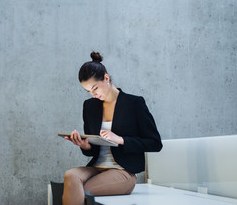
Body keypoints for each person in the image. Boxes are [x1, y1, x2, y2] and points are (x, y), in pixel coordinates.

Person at [62, 52, 163, 205]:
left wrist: (121, 140)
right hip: (97, 167)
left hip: (123, 171)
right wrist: (85, 145)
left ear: (106, 78)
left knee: (80, 189)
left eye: (95, 88)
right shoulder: (89, 106)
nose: (93, 94)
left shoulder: (134, 103)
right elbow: (92, 151)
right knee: (71, 175)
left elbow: (155, 143)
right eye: (88, 91)